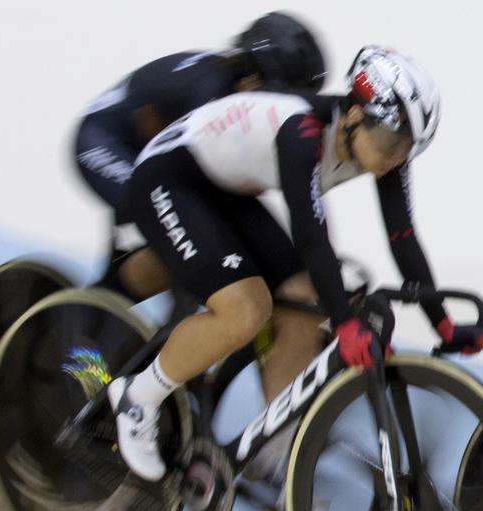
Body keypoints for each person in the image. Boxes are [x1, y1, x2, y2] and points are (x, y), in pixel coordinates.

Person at [106, 46, 483, 481]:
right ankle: (137, 397)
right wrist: (346, 325)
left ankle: (273, 449)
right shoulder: (302, 131)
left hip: (225, 190)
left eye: (407, 150)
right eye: (390, 143)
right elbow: (311, 236)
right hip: (168, 178)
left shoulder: (383, 152)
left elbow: (403, 237)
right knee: (246, 310)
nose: (395, 158)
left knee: (304, 298)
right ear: (354, 116)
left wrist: (442, 323)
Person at [74, 12, 327, 301]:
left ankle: (115, 299)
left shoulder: (239, 93)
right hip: (105, 142)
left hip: (153, 154)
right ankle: (100, 307)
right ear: (252, 78)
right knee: (185, 241)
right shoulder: (208, 90)